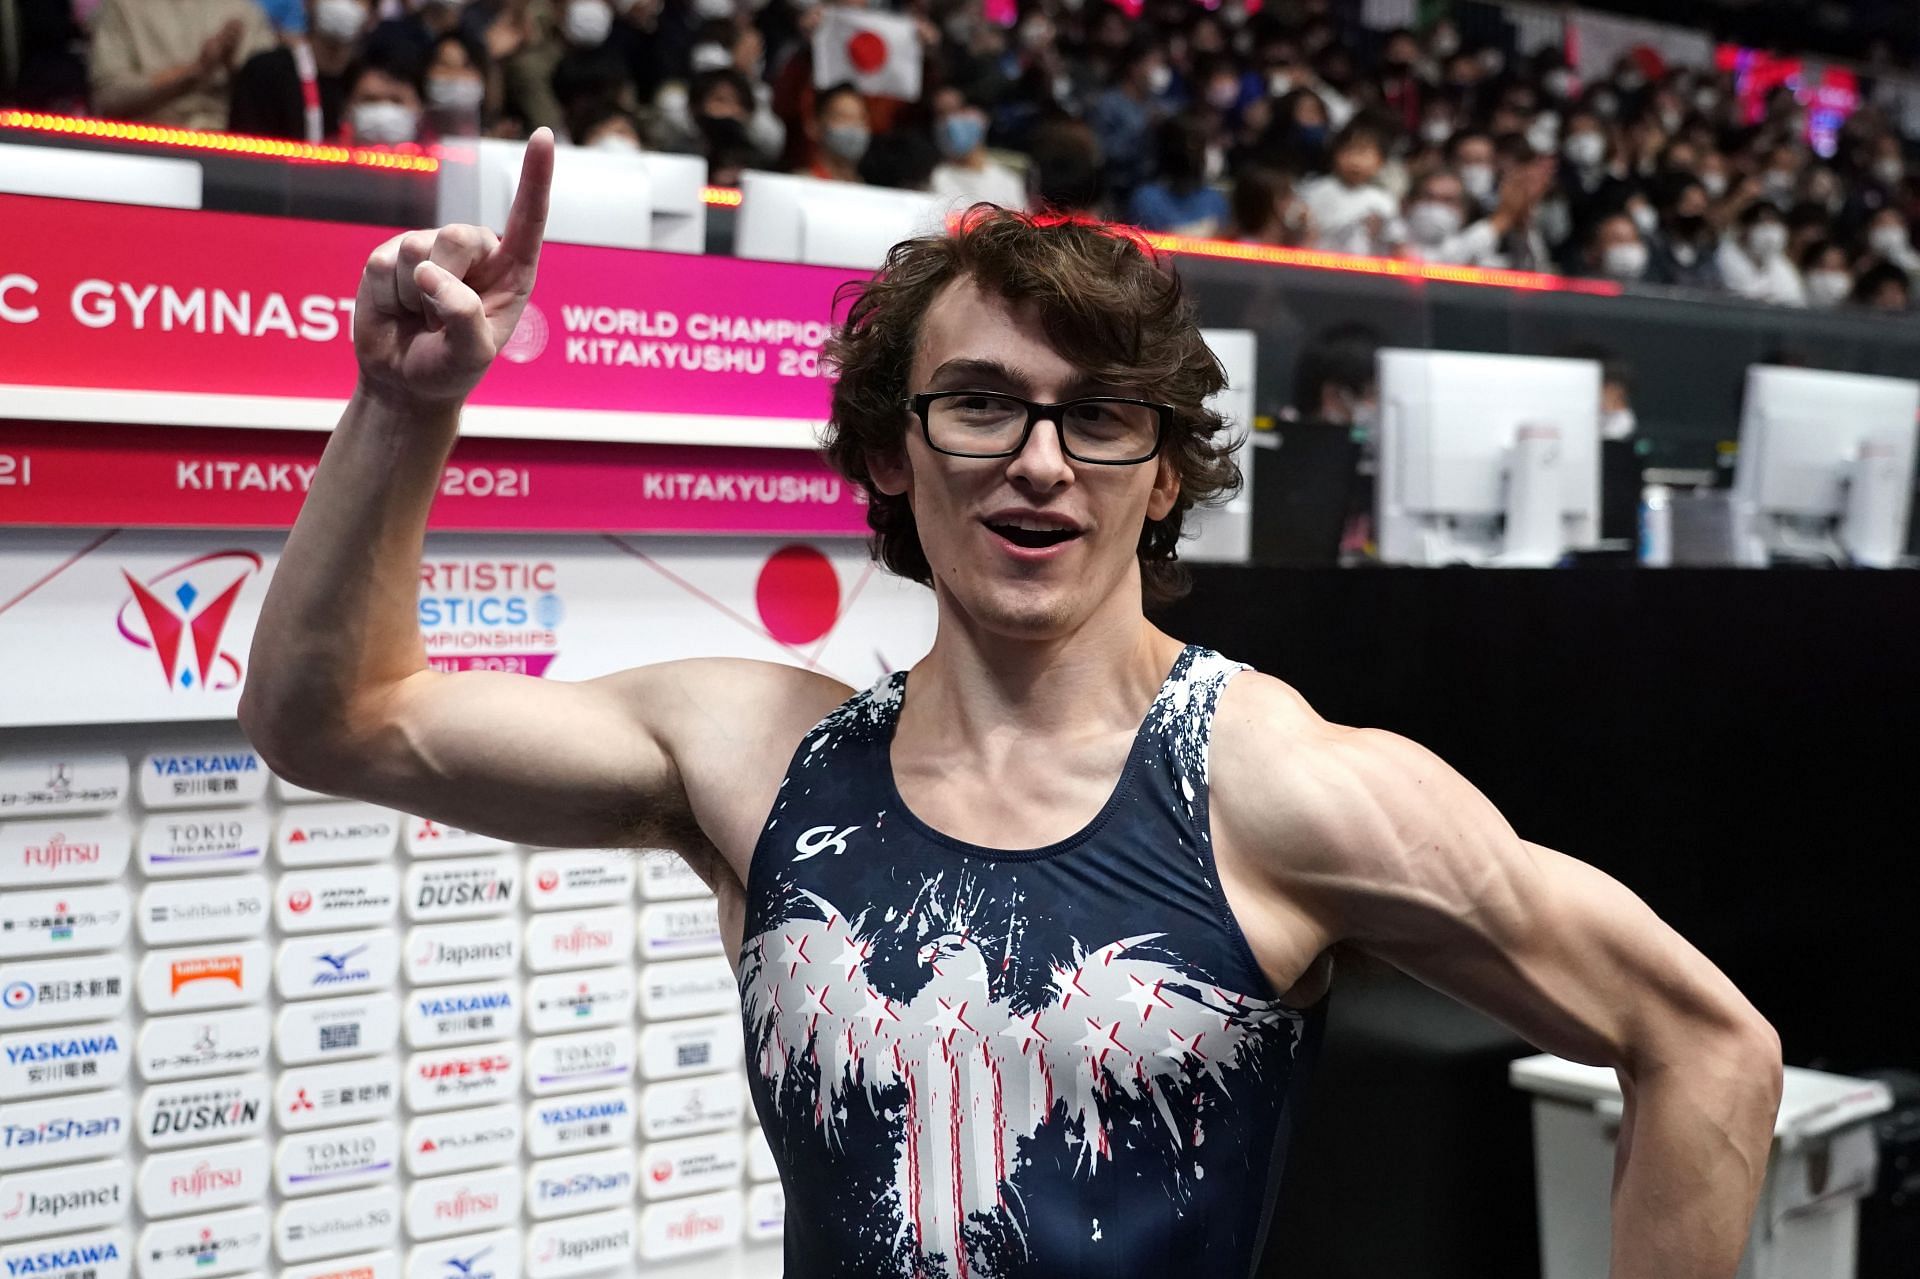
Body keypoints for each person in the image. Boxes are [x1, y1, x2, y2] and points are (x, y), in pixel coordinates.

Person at [242, 131, 1784, 1278]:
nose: (1039, 459)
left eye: (1100, 415)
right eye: (981, 400)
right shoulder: (753, 755)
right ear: (895, 453)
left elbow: (1706, 1043)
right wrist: (403, 404)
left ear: (1165, 469)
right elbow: (335, 717)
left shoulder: (1272, 780)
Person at [88, 0, 276, 130]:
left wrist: (234, 67)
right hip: (149, 141)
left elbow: (274, 100)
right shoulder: (124, 7)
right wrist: (195, 71)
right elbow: (108, 98)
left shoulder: (242, 10)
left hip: (228, 146)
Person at [1299, 115, 1403, 256]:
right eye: (1348, 151)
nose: (1355, 161)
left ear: (1380, 162)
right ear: (1335, 155)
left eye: (1363, 153)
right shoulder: (1314, 190)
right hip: (1318, 264)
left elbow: (1397, 243)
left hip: (1363, 270)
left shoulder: (1383, 200)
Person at [930, 87, 1027, 212]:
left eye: (957, 110)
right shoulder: (937, 179)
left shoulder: (1009, 182)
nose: (949, 120)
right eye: (941, 113)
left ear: (981, 117)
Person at [801, 80, 871, 182]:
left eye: (860, 120)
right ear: (814, 127)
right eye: (842, 118)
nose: (853, 128)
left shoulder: (869, 192)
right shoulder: (800, 183)